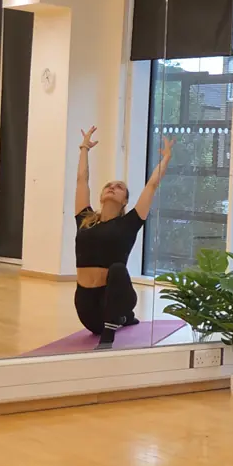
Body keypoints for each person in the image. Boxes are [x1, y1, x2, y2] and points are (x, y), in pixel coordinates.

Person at [74, 127, 174, 349]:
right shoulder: (85, 219)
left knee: (118, 268)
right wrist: (84, 149)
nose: (112, 187)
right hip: (86, 307)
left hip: (114, 297)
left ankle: (112, 329)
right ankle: (125, 317)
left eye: (119, 187)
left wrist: (166, 157)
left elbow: (152, 185)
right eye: (108, 186)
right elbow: (82, 180)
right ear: (101, 196)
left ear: (125, 200)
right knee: (113, 284)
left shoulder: (130, 222)